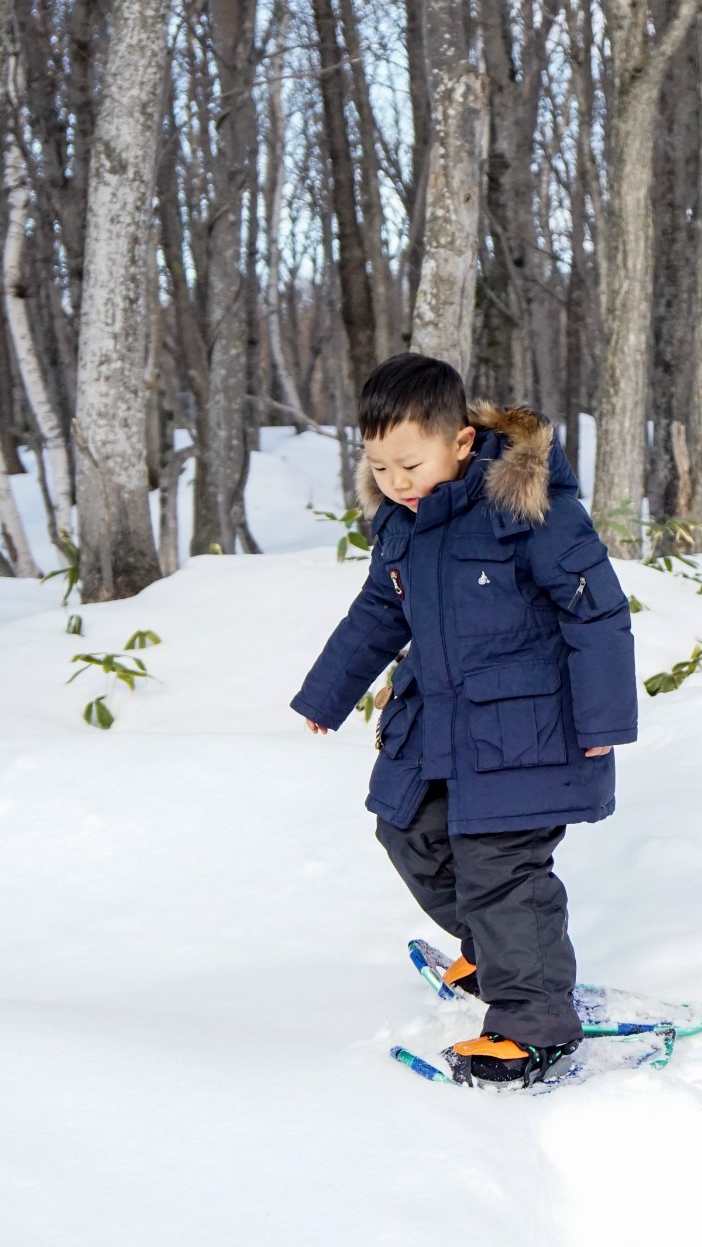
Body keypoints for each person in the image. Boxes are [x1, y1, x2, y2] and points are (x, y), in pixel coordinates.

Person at [291, 353, 638, 1087]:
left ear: (458, 441)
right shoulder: (401, 524)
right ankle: (500, 946)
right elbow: (379, 611)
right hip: (442, 726)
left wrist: (604, 714)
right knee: (406, 828)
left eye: (408, 464)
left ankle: (534, 1021)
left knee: (501, 869)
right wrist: (327, 693)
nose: (394, 482)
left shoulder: (526, 506)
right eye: (379, 467)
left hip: (530, 732)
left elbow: (596, 608)